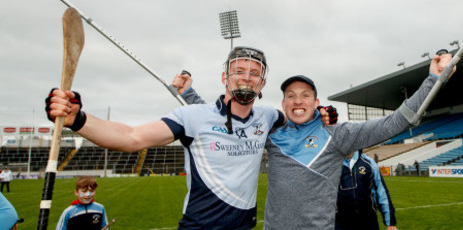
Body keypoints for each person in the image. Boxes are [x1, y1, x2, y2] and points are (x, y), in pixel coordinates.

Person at [180, 50, 455, 230]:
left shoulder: (339, 134)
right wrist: (189, 94)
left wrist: (433, 80)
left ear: (316, 102)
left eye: (305, 95)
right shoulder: (271, 134)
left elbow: (396, 122)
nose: (297, 100)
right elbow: (223, 120)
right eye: (290, 95)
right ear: (283, 104)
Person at [46, 46, 285, 230]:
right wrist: (78, 120)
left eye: (255, 73)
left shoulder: (268, 116)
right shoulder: (192, 117)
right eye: (239, 71)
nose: (247, 77)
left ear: (262, 82)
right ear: (225, 77)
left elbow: (301, 115)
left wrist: (323, 115)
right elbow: (132, 137)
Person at [335, 150, 397, 230]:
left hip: (368, 221)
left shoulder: (369, 163)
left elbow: (382, 193)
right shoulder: (331, 166)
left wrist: (390, 223)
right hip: (341, 222)